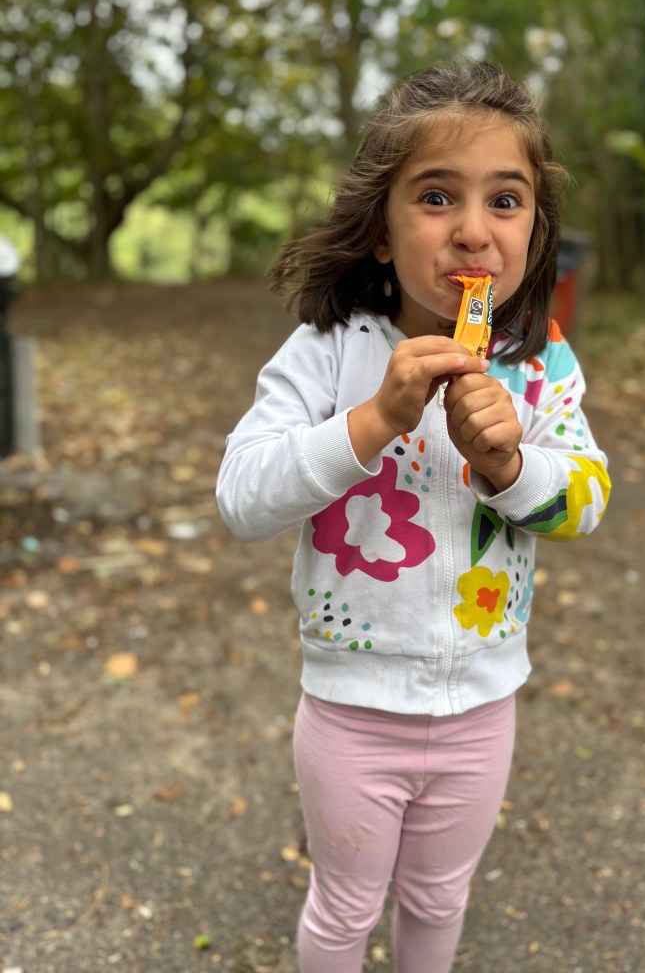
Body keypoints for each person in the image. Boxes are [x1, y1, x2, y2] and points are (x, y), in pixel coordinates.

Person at [216, 59, 611, 973]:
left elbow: (587, 499)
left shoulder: (541, 363)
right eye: (437, 197)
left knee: (440, 898)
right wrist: (373, 420)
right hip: (351, 708)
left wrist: (511, 465)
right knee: (345, 905)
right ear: (382, 232)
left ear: (535, 229)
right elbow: (241, 498)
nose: (473, 230)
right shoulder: (328, 352)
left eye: (505, 200)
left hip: (482, 705)